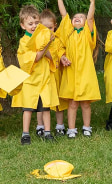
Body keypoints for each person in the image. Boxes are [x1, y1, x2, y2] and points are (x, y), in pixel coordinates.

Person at [54, 0, 101, 138]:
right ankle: (72, 129)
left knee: (86, 103)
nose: (77, 18)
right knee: (73, 103)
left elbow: (91, 18)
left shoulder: (88, 35)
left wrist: (92, 2)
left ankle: (87, 127)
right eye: (75, 17)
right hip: (72, 73)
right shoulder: (68, 34)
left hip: (86, 74)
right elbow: (63, 15)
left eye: (81, 17)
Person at [12, 5, 58, 145]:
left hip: (44, 79)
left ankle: (48, 133)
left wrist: (48, 46)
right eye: (30, 23)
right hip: (30, 80)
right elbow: (36, 58)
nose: (34, 26)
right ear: (23, 25)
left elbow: (50, 57)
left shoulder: (42, 37)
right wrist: (46, 45)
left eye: (36, 23)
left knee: (46, 107)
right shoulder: (24, 42)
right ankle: (25, 134)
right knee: (28, 108)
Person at [37, 9, 68, 137]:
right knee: (42, 102)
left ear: (55, 26)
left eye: (50, 27)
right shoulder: (38, 41)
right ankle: (40, 126)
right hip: (43, 76)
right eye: (44, 28)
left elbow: (60, 50)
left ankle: (60, 126)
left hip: (56, 75)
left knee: (58, 101)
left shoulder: (57, 40)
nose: (47, 30)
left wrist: (62, 58)